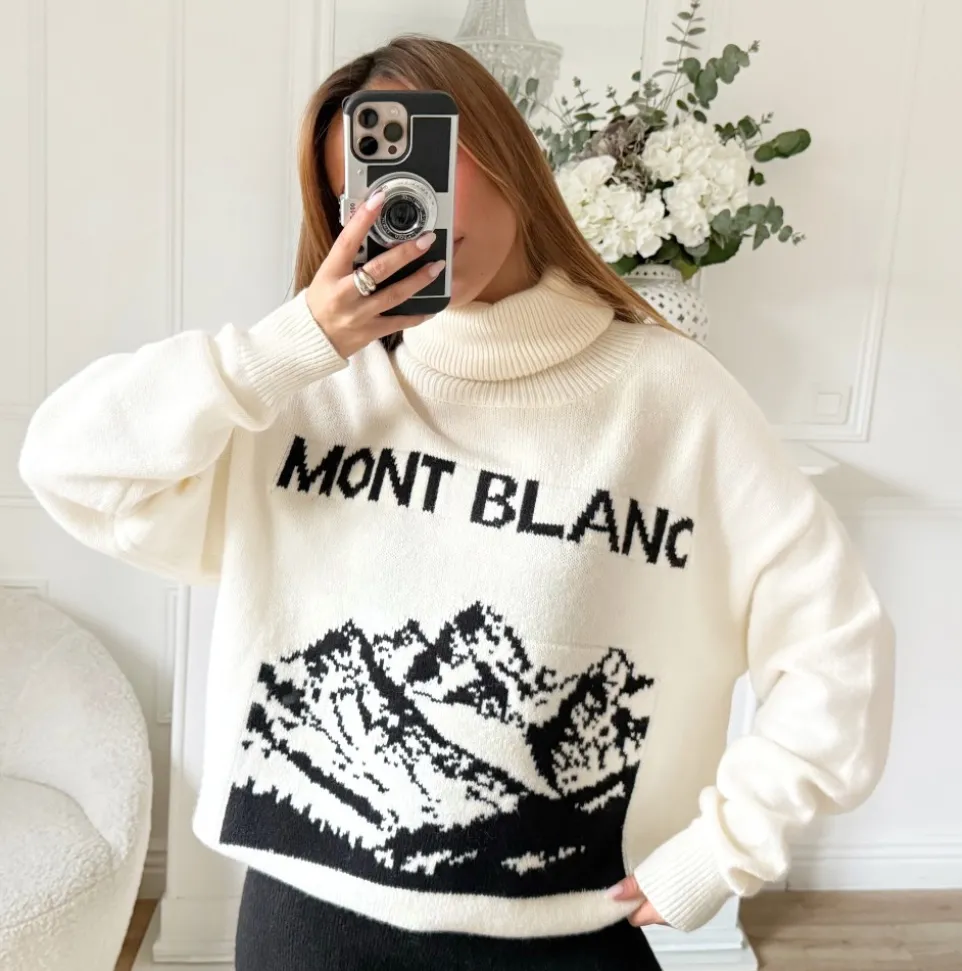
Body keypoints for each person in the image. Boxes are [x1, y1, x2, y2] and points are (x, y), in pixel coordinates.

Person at [19, 35, 894, 971]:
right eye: (366, 187)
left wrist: (726, 848)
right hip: (308, 922)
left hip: (566, 931)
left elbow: (836, 643)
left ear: (508, 154)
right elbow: (69, 465)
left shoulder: (673, 401)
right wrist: (295, 342)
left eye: (433, 159)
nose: (404, 205)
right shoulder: (304, 389)